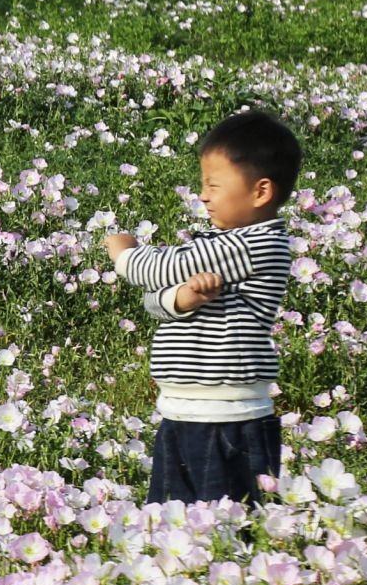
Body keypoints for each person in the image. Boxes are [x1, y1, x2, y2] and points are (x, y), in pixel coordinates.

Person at [104, 110, 301, 506]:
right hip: (184, 410)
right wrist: (181, 299)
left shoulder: (253, 243)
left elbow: (158, 270)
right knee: (177, 526)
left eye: (213, 184)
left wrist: (124, 256)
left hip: (227, 416)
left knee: (225, 528)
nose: (203, 195)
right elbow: (155, 298)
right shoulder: (219, 242)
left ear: (260, 192)